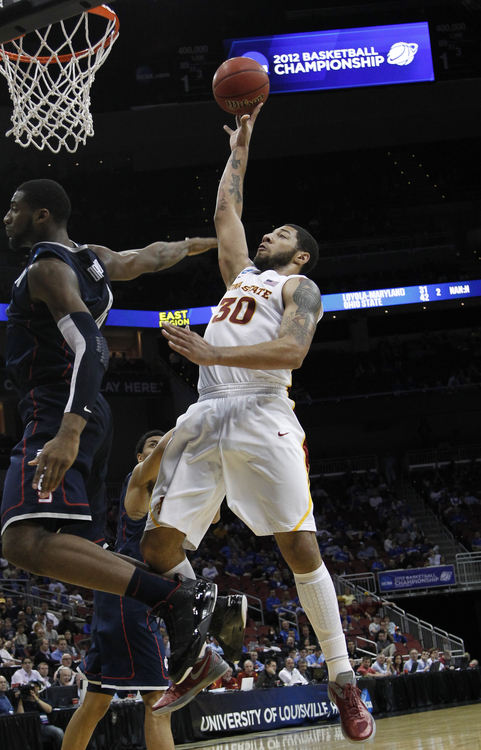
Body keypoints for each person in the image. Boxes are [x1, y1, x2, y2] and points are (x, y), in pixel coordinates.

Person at [140, 107, 375, 743]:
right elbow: (226, 211)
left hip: (263, 411)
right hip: (207, 414)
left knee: (299, 548)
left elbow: (293, 354)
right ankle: (199, 648)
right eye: (263, 233)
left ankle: (343, 677)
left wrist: (215, 352)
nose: (263, 237)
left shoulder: (301, 291)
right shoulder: (240, 275)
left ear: (299, 256)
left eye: (278, 235)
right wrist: (242, 145)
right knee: (157, 551)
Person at [0, 178, 223, 688]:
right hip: (89, 411)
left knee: (23, 541)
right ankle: (184, 597)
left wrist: (68, 430)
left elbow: (92, 347)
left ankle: (179, 599)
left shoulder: (49, 269)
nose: (5, 217)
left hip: (58, 408)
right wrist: (210, 243)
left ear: (41, 215)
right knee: (85, 552)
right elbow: (154, 255)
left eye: (14, 208)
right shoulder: (92, 259)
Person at [63, 429, 229, 750]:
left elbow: (216, 515)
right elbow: (165, 448)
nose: (161, 448)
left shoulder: (178, 488)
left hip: (123, 594)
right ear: (142, 458)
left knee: (96, 702)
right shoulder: (138, 480)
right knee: (157, 699)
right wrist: (194, 424)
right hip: (131, 592)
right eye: (151, 446)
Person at [16, 681, 64, 750]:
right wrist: (20, 699)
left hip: (43, 726)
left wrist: (35, 698)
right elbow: (20, 715)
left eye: (34, 688)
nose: (32, 690)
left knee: (59, 732)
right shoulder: (23, 703)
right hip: (29, 728)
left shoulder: (41, 700)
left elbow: (49, 710)